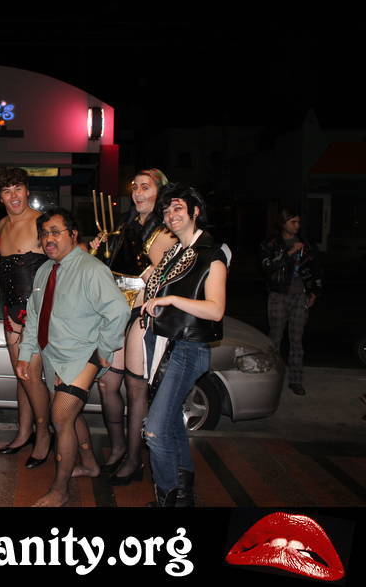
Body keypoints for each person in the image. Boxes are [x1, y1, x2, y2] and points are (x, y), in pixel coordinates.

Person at [17, 208, 129, 507]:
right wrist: (26, 354)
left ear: (73, 234)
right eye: (44, 234)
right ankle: (90, 464)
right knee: (71, 414)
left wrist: (103, 351)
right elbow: (34, 316)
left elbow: (119, 311)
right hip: (54, 354)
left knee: (61, 416)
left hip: (83, 355)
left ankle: (60, 489)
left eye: (56, 232)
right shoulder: (45, 270)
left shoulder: (91, 269)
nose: (48, 239)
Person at [141, 183, 229, 507]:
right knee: (173, 423)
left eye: (177, 207)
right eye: (166, 210)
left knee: (155, 431)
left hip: (188, 349)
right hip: (163, 345)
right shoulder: (173, 254)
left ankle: (167, 497)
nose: (170, 214)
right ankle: (182, 495)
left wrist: (172, 300)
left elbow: (215, 310)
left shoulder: (211, 255)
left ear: (195, 211)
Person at [89, 169, 177, 485]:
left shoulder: (165, 233)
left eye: (146, 187)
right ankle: (117, 449)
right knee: (106, 384)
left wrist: (137, 258)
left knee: (135, 387)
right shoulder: (123, 227)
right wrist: (100, 249)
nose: (138, 193)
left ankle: (134, 459)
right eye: (135, 187)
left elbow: (162, 281)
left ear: (160, 193)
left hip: (143, 313)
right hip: (116, 313)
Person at [0, 168, 52, 467]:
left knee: (31, 375)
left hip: (37, 313)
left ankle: (44, 436)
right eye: (6, 191)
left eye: (17, 188)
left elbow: (63, 264)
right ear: (0, 197)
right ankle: (23, 433)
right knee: (21, 374)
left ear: (27, 191)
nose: (13, 195)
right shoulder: (1, 225)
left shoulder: (43, 223)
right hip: (11, 312)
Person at [260, 208, 322, 396]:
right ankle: (270, 380)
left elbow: (315, 268)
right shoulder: (271, 243)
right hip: (278, 295)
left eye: (298, 222)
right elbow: (267, 267)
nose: (297, 226)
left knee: (297, 340)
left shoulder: (306, 243)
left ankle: (296, 380)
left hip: (300, 296)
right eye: (293, 222)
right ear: (283, 223)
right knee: (275, 338)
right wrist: (289, 253)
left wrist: (314, 291)